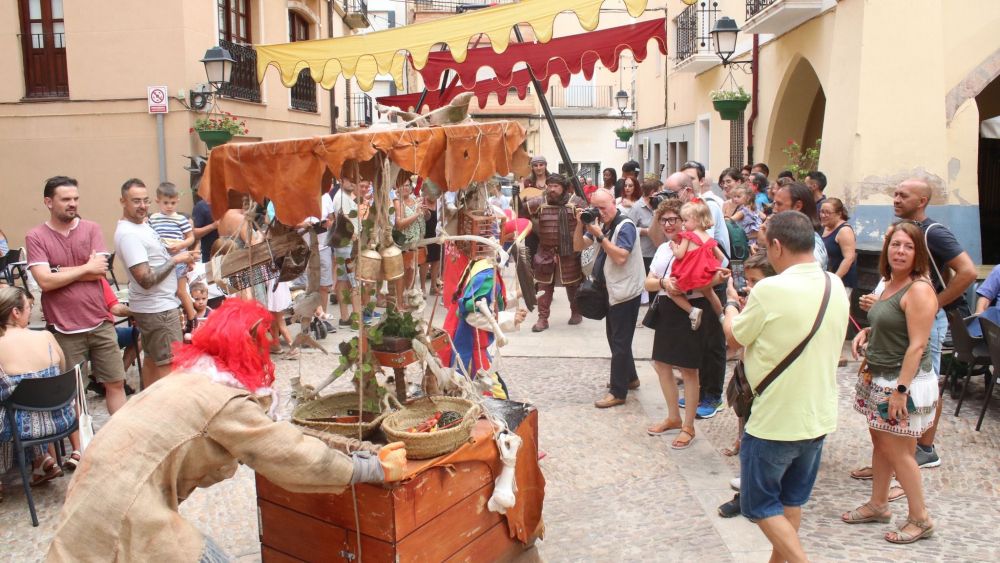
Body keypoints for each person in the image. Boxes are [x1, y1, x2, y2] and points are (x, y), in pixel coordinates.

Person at [44, 299, 408, 562]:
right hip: (123, 511)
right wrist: (366, 468)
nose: (274, 346)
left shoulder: (190, 378)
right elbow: (288, 453)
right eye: (266, 342)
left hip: (93, 496)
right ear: (247, 344)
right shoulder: (223, 400)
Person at [723, 211, 849, 563]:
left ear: (777, 245)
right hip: (817, 415)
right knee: (791, 501)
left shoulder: (770, 288)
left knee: (759, 505)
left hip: (776, 419)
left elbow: (734, 337)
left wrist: (732, 304)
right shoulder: (834, 284)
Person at [853, 178, 976, 473]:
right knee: (895, 380)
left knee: (924, 383)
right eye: (894, 193)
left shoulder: (934, 232)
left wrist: (935, 302)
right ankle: (891, 454)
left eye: (903, 195)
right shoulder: (904, 230)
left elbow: (968, 271)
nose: (895, 199)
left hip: (926, 320)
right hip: (903, 318)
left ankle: (923, 449)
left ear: (921, 201)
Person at [843, 222, 938, 544]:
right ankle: (879, 503)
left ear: (918, 254)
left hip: (902, 380)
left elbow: (917, 345)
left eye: (908, 247)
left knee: (899, 452)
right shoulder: (890, 283)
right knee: (882, 444)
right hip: (881, 374)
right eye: (895, 245)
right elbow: (890, 322)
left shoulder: (919, 289)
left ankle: (920, 518)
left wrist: (900, 391)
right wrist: (866, 332)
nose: (900, 251)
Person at [26, 175, 128, 415]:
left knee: (115, 382)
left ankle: (119, 444)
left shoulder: (91, 228)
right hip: (64, 327)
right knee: (74, 392)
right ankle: (80, 449)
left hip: (100, 321)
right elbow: (45, 281)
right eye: (65, 199)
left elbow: (100, 270)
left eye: (75, 199)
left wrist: (59, 270)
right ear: (49, 202)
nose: (72, 203)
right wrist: (84, 268)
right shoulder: (36, 236)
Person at [115, 178, 198, 389]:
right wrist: (176, 260)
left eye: (145, 200)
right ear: (123, 201)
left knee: (151, 363)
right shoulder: (129, 235)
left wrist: (181, 262)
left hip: (156, 308)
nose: (142, 206)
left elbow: (158, 260)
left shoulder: (142, 225)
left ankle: (147, 412)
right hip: (158, 310)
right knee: (173, 374)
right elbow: (146, 280)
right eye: (136, 201)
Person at [0, 287, 78, 500]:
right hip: (61, 418)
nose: (30, 313)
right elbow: (61, 373)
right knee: (22, 402)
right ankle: (41, 461)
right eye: (28, 308)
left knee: (11, 405)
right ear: (15, 313)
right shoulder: (46, 337)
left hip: (22, 427)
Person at [718, 250, 778, 518]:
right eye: (748, 281)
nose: (748, 286)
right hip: (752, 380)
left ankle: (750, 498)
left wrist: (731, 305)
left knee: (757, 441)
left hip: (763, 384)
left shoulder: (769, 304)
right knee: (747, 428)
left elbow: (735, 339)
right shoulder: (760, 302)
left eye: (755, 281)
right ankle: (750, 488)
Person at [573, 189, 645, 409]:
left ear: (614, 203)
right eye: (597, 208)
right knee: (616, 339)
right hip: (611, 291)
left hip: (625, 292)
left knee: (620, 342)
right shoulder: (600, 223)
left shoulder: (625, 226)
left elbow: (621, 257)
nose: (600, 212)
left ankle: (618, 391)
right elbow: (578, 246)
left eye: (604, 208)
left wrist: (600, 236)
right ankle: (630, 378)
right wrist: (580, 224)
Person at [643, 199, 701, 448]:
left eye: (672, 219)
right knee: (662, 364)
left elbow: (705, 279)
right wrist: (665, 284)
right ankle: (674, 417)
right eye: (663, 220)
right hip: (667, 308)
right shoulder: (664, 249)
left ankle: (688, 425)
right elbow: (649, 283)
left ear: (684, 221)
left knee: (689, 370)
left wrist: (670, 284)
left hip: (690, 309)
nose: (667, 224)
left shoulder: (696, 246)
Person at [680, 161, 730, 419]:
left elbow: (720, 256)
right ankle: (698, 390)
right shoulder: (688, 212)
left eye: (690, 179)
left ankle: (713, 395)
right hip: (696, 287)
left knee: (713, 344)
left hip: (709, 284)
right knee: (700, 342)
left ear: (699, 182)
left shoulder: (703, 209)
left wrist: (714, 279)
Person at [525, 174, 586, 332]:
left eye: (556, 186)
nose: (551, 189)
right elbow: (521, 212)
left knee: (573, 284)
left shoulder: (576, 203)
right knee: (544, 286)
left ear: (564, 188)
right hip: (546, 251)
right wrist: (516, 197)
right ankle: (542, 318)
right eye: (549, 186)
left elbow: (587, 221)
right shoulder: (540, 202)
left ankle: (576, 311)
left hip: (570, 252)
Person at [668, 201, 725, 330]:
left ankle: (692, 311)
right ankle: (722, 315)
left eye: (685, 220)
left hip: (689, 275)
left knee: (672, 290)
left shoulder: (688, 236)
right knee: (710, 293)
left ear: (697, 220)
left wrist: (674, 247)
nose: (683, 224)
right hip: (705, 275)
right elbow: (721, 257)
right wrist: (710, 267)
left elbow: (680, 255)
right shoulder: (708, 238)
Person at [148, 182, 196, 322]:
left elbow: (191, 237)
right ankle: (178, 319)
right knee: (165, 292)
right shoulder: (153, 219)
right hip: (161, 261)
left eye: (173, 203)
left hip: (179, 259)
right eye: (166, 203)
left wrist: (181, 244)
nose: (169, 206)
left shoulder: (180, 219)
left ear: (177, 201)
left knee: (181, 291)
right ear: (158, 201)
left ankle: (193, 319)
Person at [767, 182, 829, 270]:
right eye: (774, 204)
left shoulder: (812, 244)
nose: (774, 210)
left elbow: (806, 277)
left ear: (797, 206)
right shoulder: (788, 236)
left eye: (779, 204)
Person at [329, 179, 364, 327]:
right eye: (349, 180)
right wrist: (353, 234)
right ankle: (356, 318)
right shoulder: (341, 197)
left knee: (345, 279)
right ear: (341, 180)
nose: (353, 183)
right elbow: (344, 219)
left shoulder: (347, 196)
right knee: (352, 279)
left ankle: (345, 317)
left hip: (346, 244)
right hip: (345, 244)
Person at [394, 178, 427, 309]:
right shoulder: (398, 202)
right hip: (404, 243)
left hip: (415, 242)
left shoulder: (414, 199)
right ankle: (400, 302)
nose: (406, 188)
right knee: (402, 274)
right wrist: (416, 214)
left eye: (407, 185)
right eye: (403, 186)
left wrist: (425, 213)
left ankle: (408, 300)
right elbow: (400, 224)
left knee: (412, 271)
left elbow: (424, 217)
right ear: (398, 188)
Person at [627, 179, 660, 303]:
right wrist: (645, 231)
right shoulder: (637, 207)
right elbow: (629, 227)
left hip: (659, 250)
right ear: (652, 192)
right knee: (647, 284)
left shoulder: (659, 205)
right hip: (645, 253)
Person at [820, 198, 858, 295]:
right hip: (826, 280)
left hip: (842, 282)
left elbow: (849, 258)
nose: (823, 215)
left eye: (828, 212)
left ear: (839, 214)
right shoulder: (825, 227)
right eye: (822, 212)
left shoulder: (844, 230)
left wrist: (835, 280)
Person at [191, 198, 219, 263]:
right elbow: (194, 233)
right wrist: (213, 226)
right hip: (210, 255)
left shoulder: (231, 203)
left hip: (230, 251)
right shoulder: (201, 206)